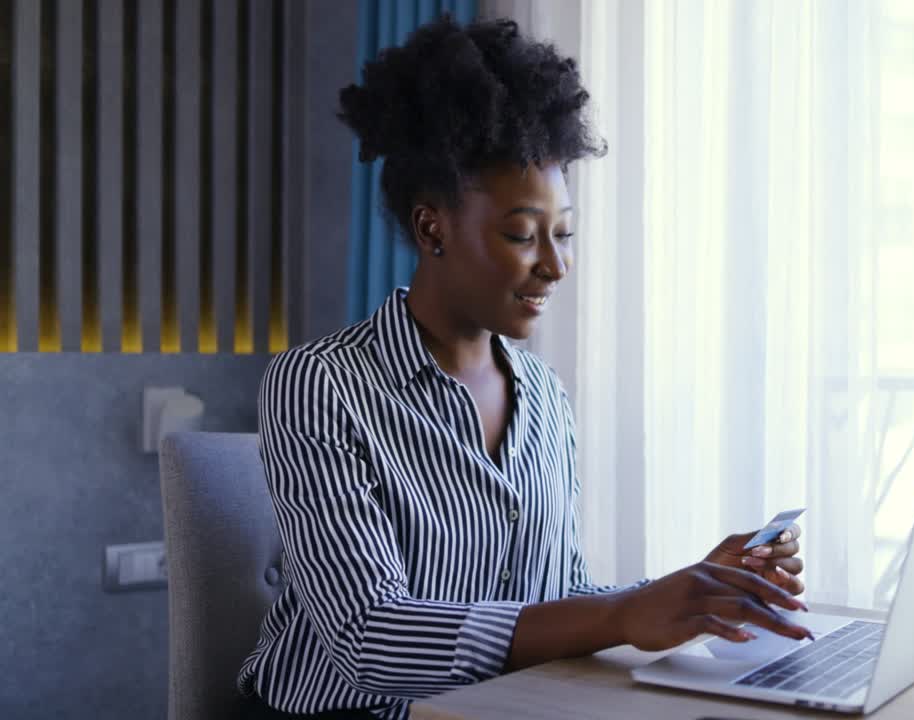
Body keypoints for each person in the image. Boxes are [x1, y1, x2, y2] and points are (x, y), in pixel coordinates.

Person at [237, 15, 809, 720]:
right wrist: (626, 614)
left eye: (563, 233)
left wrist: (691, 589)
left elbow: (557, 597)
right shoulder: (321, 384)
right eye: (521, 234)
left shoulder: (543, 394)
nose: (556, 265)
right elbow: (370, 638)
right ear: (431, 227)